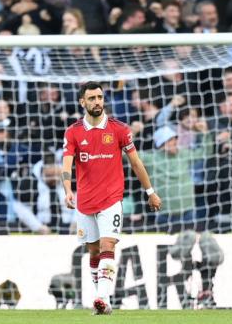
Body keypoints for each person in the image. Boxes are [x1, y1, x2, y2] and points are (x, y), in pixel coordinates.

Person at [61, 81, 161, 315]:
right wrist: (68, 189)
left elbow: (136, 163)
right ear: (82, 102)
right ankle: (102, 302)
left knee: (108, 245)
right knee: (94, 251)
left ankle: (102, 297)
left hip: (111, 199)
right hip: (85, 202)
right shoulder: (73, 131)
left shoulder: (119, 129)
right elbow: (66, 163)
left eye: (100, 97)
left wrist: (150, 192)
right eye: (92, 98)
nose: (97, 102)